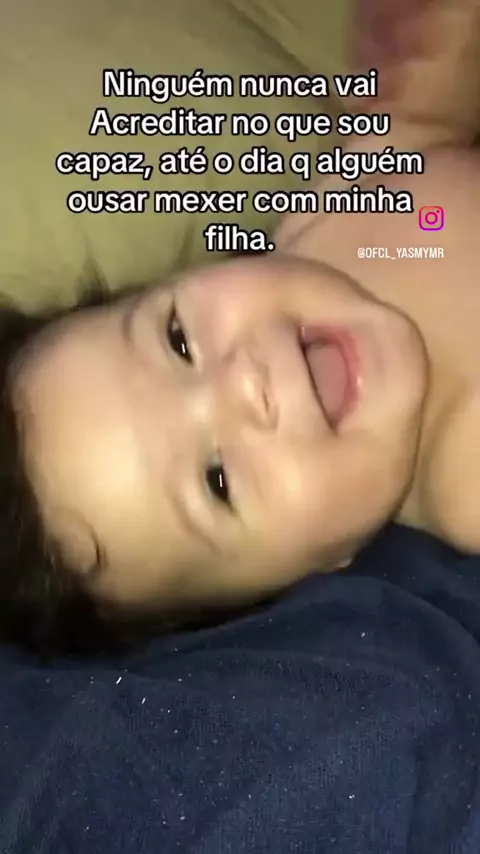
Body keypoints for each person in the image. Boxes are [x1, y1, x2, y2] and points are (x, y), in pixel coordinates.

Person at [1, 0, 480, 656]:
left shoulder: (328, 216)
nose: (241, 384)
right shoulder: (467, 480)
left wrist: (426, 59)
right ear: (315, 570)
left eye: (178, 340)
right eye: (217, 482)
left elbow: (422, 115)